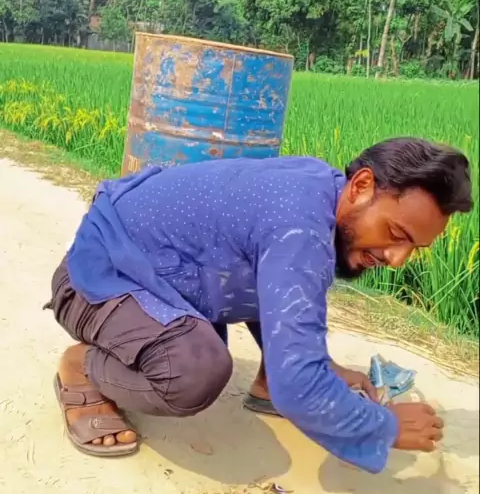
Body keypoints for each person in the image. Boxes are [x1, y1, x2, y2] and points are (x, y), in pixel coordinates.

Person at [47, 137, 472, 472]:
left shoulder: (321, 193)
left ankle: (267, 380)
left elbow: (284, 296)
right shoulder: (299, 226)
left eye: (414, 248)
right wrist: (385, 426)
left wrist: (319, 368)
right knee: (192, 371)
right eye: (396, 234)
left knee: (249, 335)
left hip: (155, 273)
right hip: (99, 278)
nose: (397, 259)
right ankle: (82, 369)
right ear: (361, 186)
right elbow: (299, 386)